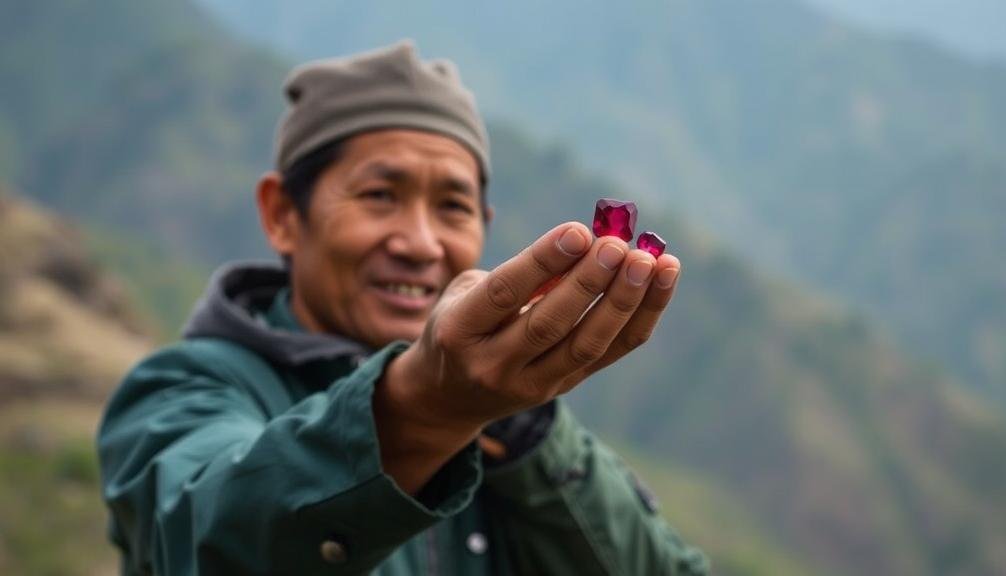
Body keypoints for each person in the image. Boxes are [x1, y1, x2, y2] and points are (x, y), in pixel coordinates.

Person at [97, 41, 709, 576]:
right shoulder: (181, 391)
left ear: (485, 226)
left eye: (453, 207)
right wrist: (422, 411)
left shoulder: (509, 426)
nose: (420, 243)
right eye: (379, 195)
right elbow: (205, 540)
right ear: (283, 214)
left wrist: (528, 432)